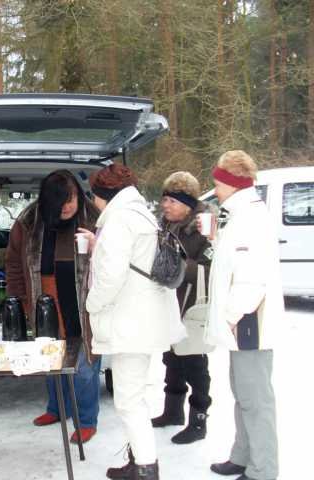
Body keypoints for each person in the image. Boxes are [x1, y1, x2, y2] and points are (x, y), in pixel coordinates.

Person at [83, 164, 185, 480]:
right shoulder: (140, 215)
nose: (94, 203)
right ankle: (141, 460)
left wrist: (91, 304)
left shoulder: (118, 221)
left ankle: (145, 468)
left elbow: (111, 277)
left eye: (95, 197)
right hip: (144, 319)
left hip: (130, 323)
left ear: (104, 195)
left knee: (129, 400)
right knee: (134, 396)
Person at [6, 169, 101, 444]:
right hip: (44, 298)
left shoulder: (94, 217)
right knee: (49, 357)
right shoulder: (28, 220)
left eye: (71, 199)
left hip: (84, 302)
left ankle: (86, 420)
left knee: (84, 365)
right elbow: (13, 264)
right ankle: (57, 409)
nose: (68, 206)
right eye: (61, 202)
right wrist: (19, 299)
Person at [204, 151, 281, 480]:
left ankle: (263, 470)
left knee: (256, 400)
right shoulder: (236, 214)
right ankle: (243, 455)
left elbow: (252, 280)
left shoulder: (250, 217)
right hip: (243, 322)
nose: (215, 188)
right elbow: (231, 266)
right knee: (243, 394)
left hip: (250, 322)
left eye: (217, 182)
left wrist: (230, 317)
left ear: (230, 182)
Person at [150, 171, 213, 444]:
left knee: (194, 364)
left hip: (192, 305)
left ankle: (198, 422)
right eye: (164, 200)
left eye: (172, 201)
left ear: (187, 204)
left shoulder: (204, 227)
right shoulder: (163, 226)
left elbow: (212, 270)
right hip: (168, 305)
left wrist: (176, 268)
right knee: (171, 358)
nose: (165, 205)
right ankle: (172, 411)